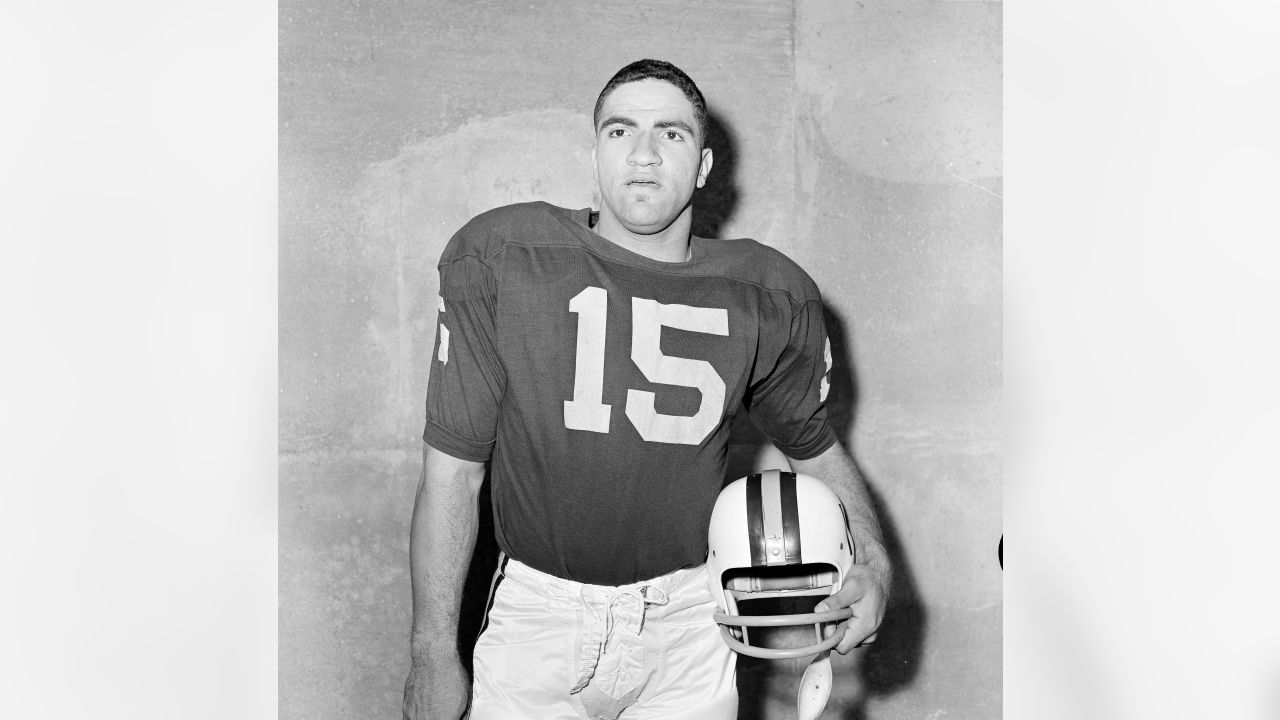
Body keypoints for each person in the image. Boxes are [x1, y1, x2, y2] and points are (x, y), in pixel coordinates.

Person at [402, 58, 892, 720]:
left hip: (689, 620)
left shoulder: (765, 293)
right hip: (535, 616)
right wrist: (432, 651)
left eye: (671, 134)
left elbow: (819, 451)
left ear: (705, 167)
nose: (643, 153)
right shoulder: (503, 256)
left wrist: (878, 565)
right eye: (619, 130)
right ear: (594, 153)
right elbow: (452, 475)